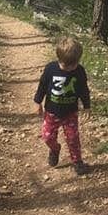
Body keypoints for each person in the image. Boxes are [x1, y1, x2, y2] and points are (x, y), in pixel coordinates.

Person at [34, 36, 91, 176]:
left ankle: (77, 161)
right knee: (47, 137)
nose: (70, 68)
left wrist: (87, 106)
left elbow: (84, 89)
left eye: (73, 65)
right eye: (66, 65)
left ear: (78, 61)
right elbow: (42, 85)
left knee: (73, 138)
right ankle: (54, 149)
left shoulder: (79, 71)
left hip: (70, 112)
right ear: (59, 59)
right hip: (52, 112)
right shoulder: (50, 69)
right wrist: (38, 102)